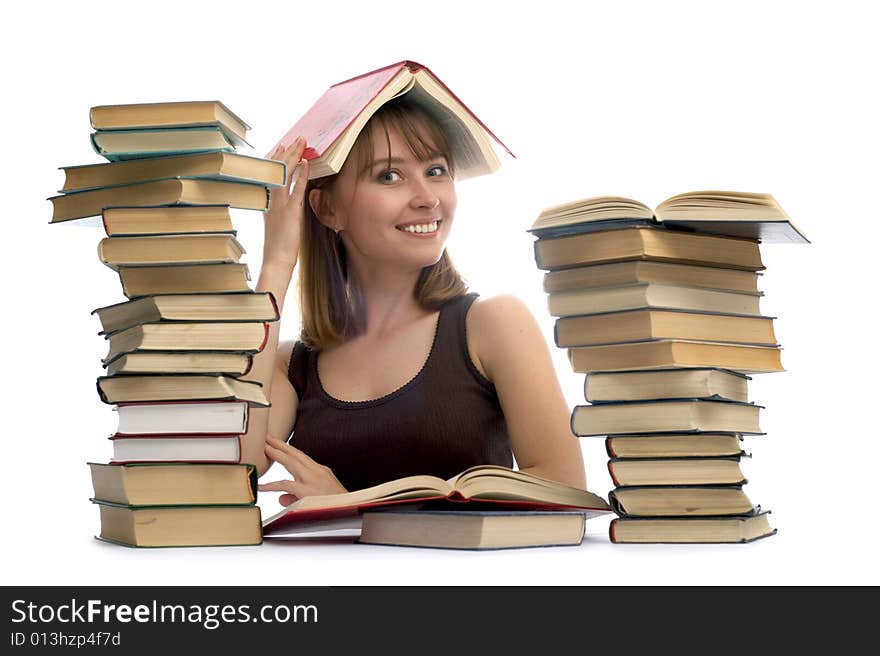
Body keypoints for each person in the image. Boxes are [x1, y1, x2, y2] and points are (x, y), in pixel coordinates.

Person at [240, 98, 586, 507]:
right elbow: (235, 467)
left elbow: (566, 487)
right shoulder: (290, 364)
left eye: (436, 171)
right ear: (328, 208)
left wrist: (354, 504)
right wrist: (278, 264)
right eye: (389, 176)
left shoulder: (493, 324)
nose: (427, 198)